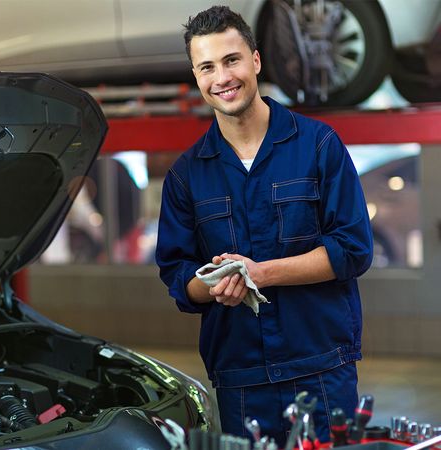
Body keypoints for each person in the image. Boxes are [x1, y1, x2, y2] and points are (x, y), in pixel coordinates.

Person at [155, 5, 373, 446]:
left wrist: (260, 273)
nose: (222, 78)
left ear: (255, 60)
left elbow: (352, 249)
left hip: (321, 369)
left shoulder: (318, 145)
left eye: (232, 60)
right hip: (242, 380)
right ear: (196, 76)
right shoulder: (186, 175)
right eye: (207, 67)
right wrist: (215, 285)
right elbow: (178, 277)